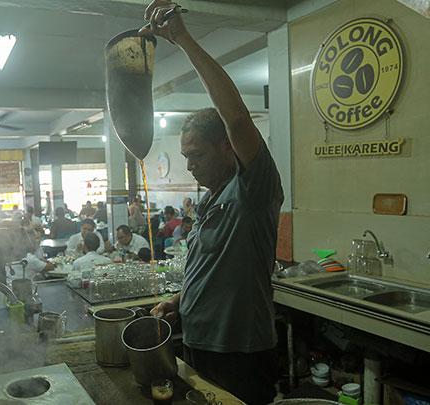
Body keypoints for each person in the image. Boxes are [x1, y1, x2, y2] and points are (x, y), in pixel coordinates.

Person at [142, 3, 282, 404]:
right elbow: (210, 270)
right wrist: (179, 301)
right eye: (185, 156)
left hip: (239, 353)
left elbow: (237, 119)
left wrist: (182, 38)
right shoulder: (211, 200)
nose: (190, 165)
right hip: (198, 342)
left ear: (226, 148)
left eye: (197, 155)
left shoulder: (252, 189)